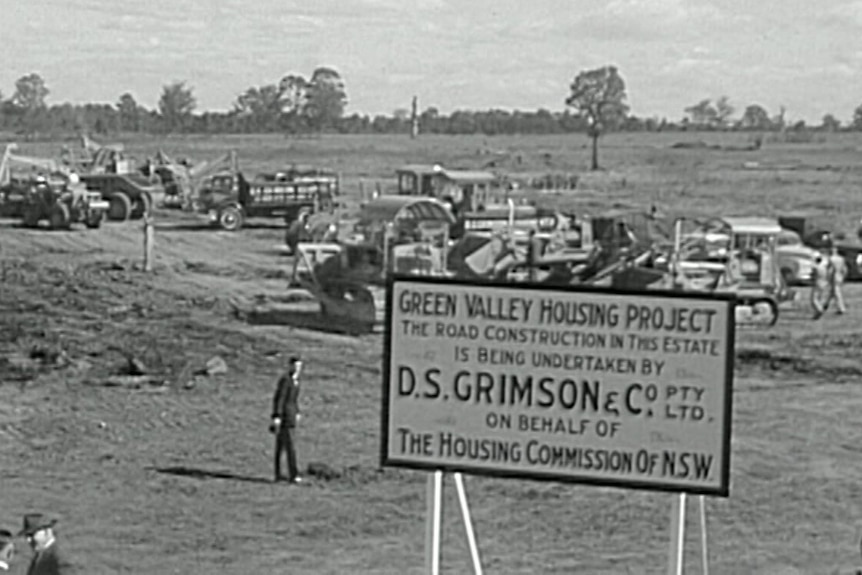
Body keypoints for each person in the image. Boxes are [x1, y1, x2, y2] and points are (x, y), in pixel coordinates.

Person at [271, 356, 304, 483]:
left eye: (299, 366)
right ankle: (293, 474)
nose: (297, 369)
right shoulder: (285, 380)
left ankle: (279, 474)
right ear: (290, 366)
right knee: (289, 447)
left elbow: (293, 400)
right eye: (295, 366)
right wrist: (277, 416)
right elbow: (280, 399)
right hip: (285, 418)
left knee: (282, 447)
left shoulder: (296, 381)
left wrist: (297, 411)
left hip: (291, 416)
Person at [824, 246, 848, 315]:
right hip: (840, 276)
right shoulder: (841, 258)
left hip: (834, 276)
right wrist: (844, 276)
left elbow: (829, 269)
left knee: (837, 293)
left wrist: (827, 278)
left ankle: (841, 308)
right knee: (832, 291)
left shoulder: (831, 259)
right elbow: (844, 269)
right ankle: (826, 304)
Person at [810, 252, 830, 320]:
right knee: (820, 299)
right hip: (824, 283)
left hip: (818, 283)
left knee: (814, 299)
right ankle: (816, 315)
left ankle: (819, 310)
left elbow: (813, 275)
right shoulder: (824, 267)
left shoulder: (816, 267)